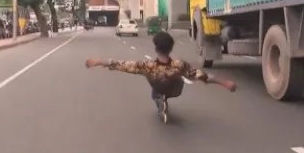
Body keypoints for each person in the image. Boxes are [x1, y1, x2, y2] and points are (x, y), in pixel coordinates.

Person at [86, 30, 237, 122]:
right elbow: (202, 76)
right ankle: (162, 98)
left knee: (151, 77)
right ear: (171, 48)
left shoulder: (148, 66)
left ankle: (159, 99)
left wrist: (100, 61)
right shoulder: (180, 64)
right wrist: (225, 83)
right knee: (182, 74)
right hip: (175, 90)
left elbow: (123, 64)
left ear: (156, 48)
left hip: (158, 87)